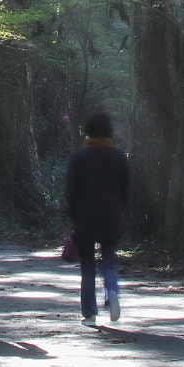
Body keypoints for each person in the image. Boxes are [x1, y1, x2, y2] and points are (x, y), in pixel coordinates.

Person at [65, 111, 129, 327]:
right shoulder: (119, 157)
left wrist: (73, 215)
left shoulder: (79, 158)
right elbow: (126, 190)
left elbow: (71, 191)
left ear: (88, 132)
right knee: (109, 261)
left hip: (85, 218)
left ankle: (90, 315)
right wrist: (120, 211)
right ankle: (112, 292)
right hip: (111, 216)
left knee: (88, 266)